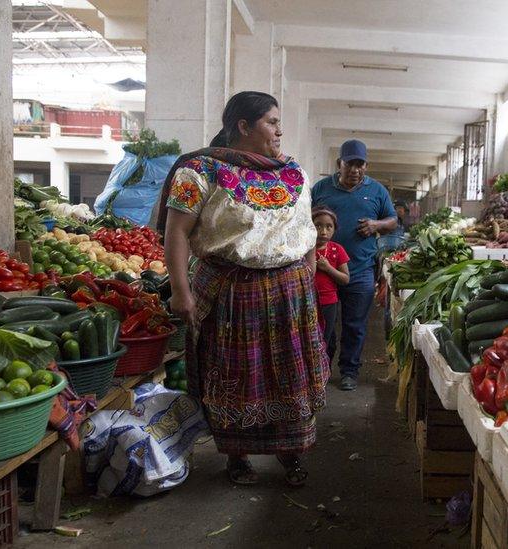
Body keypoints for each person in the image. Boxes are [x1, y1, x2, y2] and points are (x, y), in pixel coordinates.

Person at [160, 91, 328, 487]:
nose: (279, 130)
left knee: (290, 376)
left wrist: (307, 277)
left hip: (290, 292)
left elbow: (304, 231)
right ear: (243, 126)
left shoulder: (293, 172)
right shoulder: (200, 171)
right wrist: (181, 291)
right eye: (271, 121)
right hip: (229, 291)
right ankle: (237, 456)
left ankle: (292, 453)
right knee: (235, 375)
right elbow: (176, 233)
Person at [312, 140, 397, 391]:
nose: (355, 170)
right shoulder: (321, 189)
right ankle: (322, 368)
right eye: (349, 164)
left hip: (360, 269)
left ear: (366, 166)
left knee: (354, 324)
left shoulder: (377, 191)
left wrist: (376, 225)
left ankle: (349, 371)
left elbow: (392, 220)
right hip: (323, 269)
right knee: (321, 322)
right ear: (340, 164)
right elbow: (304, 220)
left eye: (360, 165)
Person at [311, 207, 350, 360]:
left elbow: (345, 279)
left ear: (335, 229)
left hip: (328, 303)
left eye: (329, 226)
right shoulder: (304, 249)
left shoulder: (337, 250)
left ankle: (322, 374)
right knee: (309, 337)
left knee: (325, 338)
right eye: (318, 225)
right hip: (307, 301)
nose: (323, 231)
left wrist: (328, 268)